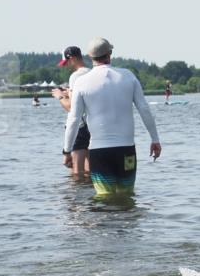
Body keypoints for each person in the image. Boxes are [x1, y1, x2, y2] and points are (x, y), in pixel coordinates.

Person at [63, 37, 162, 196]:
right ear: (110, 53)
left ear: (90, 56)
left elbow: (74, 119)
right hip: (126, 149)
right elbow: (144, 109)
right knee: (126, 197)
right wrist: (155, 139)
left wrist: (67, 151)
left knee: (104, 198)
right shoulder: (128, 76)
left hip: (99, 151)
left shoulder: (82, 82)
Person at [52, 45, 92, 178]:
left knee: (77, 172)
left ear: (72, 58)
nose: (66, 66)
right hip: (91, 125)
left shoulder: (75, 76)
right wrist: (69, 93)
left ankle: (76, 197)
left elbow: (72, 108)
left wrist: (60, 96)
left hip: (79, 128)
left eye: (67, 62)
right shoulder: (92, 72)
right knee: (89, 170)